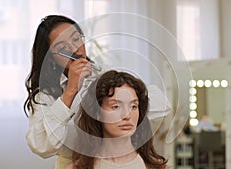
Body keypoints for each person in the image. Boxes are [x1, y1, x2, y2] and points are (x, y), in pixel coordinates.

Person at [24, 14, 171, 169]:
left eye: (76, 39)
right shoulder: (45, 96)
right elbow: (41, 146)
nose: (75, 49)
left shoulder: (105, 77)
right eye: (62, 48)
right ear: (51, 59)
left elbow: (162, 106)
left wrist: (123, 99)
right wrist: (70, 91)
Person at [66, 70, 169, 169]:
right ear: (97, 113)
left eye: (133, 106)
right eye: (116, 107)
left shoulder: (158, 167)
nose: (127, 115)